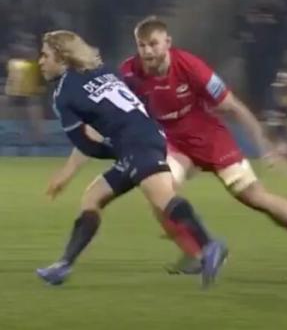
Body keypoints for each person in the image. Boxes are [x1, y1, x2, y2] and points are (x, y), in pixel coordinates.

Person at [120, 17, 287, 274]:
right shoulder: (129, 72)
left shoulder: (191, 67)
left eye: (153, 44)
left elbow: (235, 107)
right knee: (159, 194)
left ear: (167, 42)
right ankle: (198, 253)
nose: (147, 51)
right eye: (142, 45)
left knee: (256, 198)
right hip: (173, 143)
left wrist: (265, 146)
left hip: (210, 140)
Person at [35, 30, 227, 288]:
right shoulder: (103, 71)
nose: (40, 61)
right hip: (148, 135)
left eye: (45, 55)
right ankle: (64, 265)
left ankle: (208, 245)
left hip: (135, 143)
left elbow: (84, 143)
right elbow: (139, 97)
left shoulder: (64, 93)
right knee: (93, 197)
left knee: (162, 199)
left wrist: (117, 151)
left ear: (61, 57)